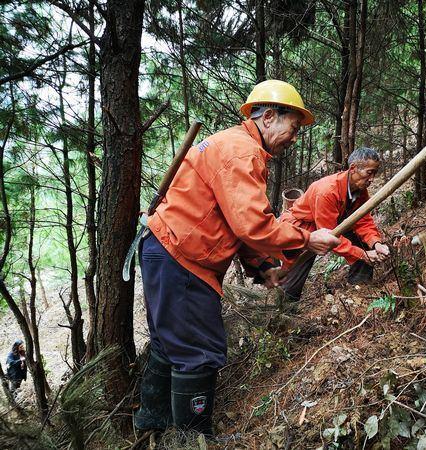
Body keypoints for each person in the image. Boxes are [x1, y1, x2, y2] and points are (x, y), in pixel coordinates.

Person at [134, 79, 340, 435]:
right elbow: (253, 226)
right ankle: (193, 439)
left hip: (165, 251)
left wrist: (260, 267)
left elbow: (234, 224)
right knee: (199, 349)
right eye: (293, 128)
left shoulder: (236, 146)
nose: (294, 137)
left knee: (171, 343)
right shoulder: (241, 153)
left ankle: (153, 422)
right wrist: (308, 239)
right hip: (180, 258)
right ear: (270, 117)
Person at [279, 147, 391, 301]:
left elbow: (363, 221)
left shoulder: (360, 189)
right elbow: (330, 236)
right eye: (369, 173)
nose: (372, 178)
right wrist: (363, 255)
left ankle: (360, 289)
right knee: (291, 283)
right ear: (353, 169)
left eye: (375, 173)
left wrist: (375, 243)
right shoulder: (327, 191)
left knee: (363, 241)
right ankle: (283, 312)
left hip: (329, 227)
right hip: (301, 230)